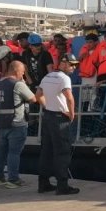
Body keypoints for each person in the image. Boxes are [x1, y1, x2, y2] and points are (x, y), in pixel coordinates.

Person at [36, 53, 80, 195]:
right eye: (72, 65)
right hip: (59, 119)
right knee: (62, 152)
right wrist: (71, 114)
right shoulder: (64, 78)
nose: (74, 68)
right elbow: (69, 98)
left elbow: (38, 95)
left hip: (48, 116)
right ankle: (62, 186)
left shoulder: (47, 77)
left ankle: (43, 183)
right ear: (64, 63)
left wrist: (47, 106)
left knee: (46, 151)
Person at [0, 60, 37, 188]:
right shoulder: (18, 84)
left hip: (1, 122)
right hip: (17, 123)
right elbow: (33, 99)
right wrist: (23, 83)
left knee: (1, 150)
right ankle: (13, 179)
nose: (23, 74)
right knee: (14, 152)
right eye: (22, 72)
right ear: (16, 71)